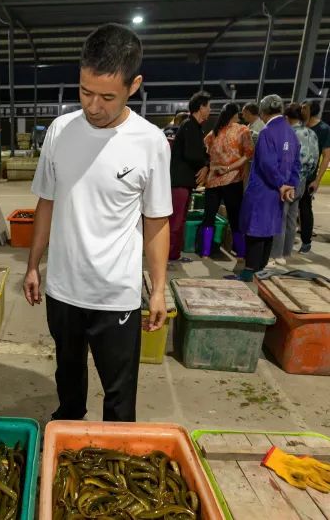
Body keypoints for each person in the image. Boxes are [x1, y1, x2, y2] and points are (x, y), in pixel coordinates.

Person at [24, 23, 172, 423]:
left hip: (116, 296)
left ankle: (114, 461)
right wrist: (33, 265)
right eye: (85, 91)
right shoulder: (60, 130)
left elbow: (156, 222)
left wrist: (158, 290)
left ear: (133, 85)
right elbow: (46, 203)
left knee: (120, 398)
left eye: (107, 96)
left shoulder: (150, 141)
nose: (93, 106)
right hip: (62, 291)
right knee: (68, 384)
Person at [238, 95, 300, 282]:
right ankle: (262, 272)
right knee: (269, 231)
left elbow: (266, 163)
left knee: (256, 230)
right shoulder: (291, 133)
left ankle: (249, 272)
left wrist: (280, 184)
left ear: (263, 112)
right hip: (279, 193)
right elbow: (297, 164)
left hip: (264, 190)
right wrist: (289, 185)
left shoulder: (267, 132)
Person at [201, 103, 253, 269]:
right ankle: (241, 253)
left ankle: (205, 252)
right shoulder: (243, 131)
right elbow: (248, 154)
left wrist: (217, 166)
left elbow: (207, 153)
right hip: (232, 180)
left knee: (208, 216)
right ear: (235, 115)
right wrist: (231, 167)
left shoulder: (212, 133)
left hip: (213, 180)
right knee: (235, 218)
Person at [269, 103, 319, 264]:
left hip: (287, 179)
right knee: (292, 217)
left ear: (286, 118)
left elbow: (284, 158)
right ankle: (287, 252)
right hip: (302, 180)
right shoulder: (311, 134)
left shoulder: (288, 134)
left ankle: (276, 254)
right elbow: (315, 159)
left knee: (281, 217)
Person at [169, 91, 211, 262]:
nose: (210, 110)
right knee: (176, 221)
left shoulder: (195, 128)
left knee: (181, 221)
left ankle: (174, 254)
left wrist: (206, 164)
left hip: (185, 182)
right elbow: (193, 154)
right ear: (200, 107)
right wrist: (206, 164)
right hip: (179, 182)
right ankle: (168, 255)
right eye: (208, 106)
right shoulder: (189, 126)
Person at [298, 100, 330, 253]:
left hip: (309, 176)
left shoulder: (323, 129)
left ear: (312, 110)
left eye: (304, 108)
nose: (301, 110)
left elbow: (326, 156)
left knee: (305, 207)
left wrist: (317, 180)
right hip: (292, 175)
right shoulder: (300, 126)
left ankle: (306, 242)